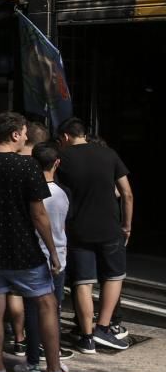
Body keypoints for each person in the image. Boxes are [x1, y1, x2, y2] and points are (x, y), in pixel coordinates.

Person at [0, 111, 87, 372]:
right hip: (23, 248)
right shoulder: (27, 166)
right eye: (23, 132)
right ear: (15, 135)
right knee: (46, 305)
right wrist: (54, 252)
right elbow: (39, 215)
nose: (25, 136)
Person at [57, 117, 133, 352]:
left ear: (66, 137)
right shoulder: (108, 154)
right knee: (114, 276)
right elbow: (127, 193)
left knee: (83, 281)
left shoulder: (64, 158)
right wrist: (127, 225)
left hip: (78, 228)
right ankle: (104, 327)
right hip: (110, 226)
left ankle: (87, 336)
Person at [16, 142, 71, 372]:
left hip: (34, 256)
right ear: (57, 163)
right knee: (53, 310)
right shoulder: (61, 193)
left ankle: (32, 361)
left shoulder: (27, 192)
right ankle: (54, 359)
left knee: (32, 310)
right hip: (58, 255)